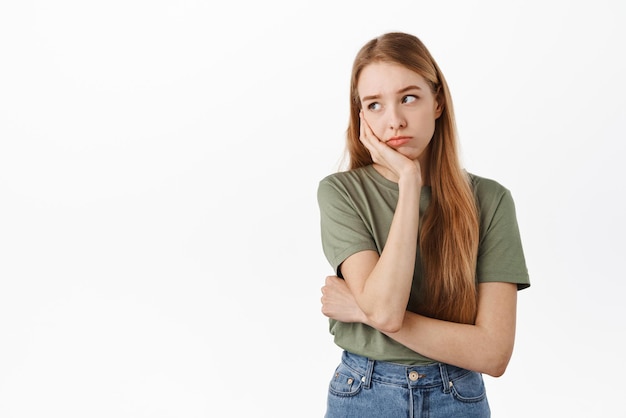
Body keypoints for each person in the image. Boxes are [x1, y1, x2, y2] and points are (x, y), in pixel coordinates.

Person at [316, 32, 530, 417]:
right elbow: (385, 309)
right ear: (361, 115)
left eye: (408, 98)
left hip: (457, 396)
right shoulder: (342, 193)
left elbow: (494, 354)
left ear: (437, 102)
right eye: (375, 105)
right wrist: (409, 184)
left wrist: (363, 311)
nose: (394, 120)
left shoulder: (491, 200)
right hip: (364, 393)